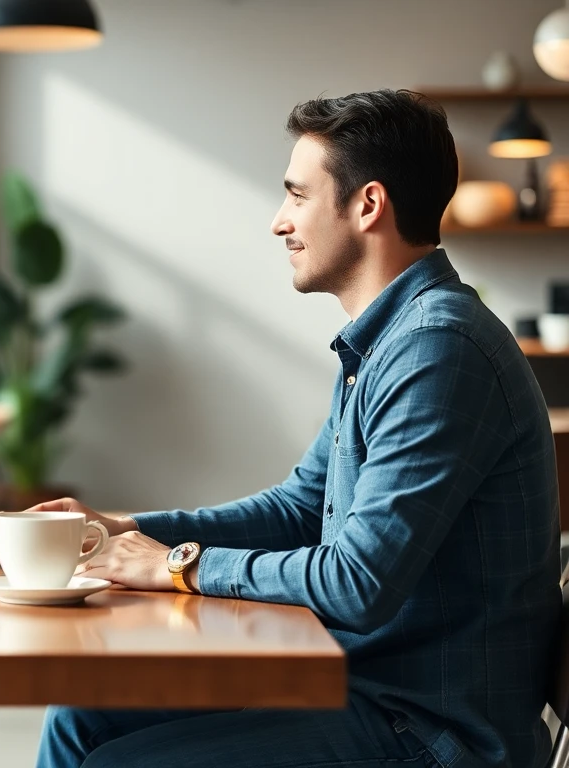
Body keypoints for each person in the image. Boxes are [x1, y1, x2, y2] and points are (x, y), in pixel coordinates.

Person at [34, 90, 560, 768]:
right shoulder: (388, 342)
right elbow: (299, 508)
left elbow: (357, 583)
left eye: (296, 196)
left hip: (433, 731)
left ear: (368, 205)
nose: (279, 222)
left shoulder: (439, 349)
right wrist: (128, 528)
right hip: (368, 690)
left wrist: (175, 566)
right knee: (84, 713)